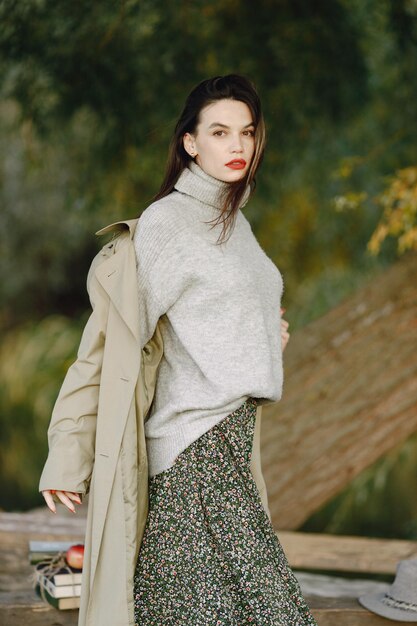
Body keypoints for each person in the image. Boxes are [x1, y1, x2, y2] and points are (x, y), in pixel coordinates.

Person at [40, 74, 317, 625]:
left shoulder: (236, 222)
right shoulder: (168, 223)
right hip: (195, 453)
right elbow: (108, 344)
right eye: (220, 132)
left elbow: (217, 322)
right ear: (191, 142)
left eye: (248, 132)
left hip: (232, 446)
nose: (237, 146)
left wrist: (266, 337)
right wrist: (67, 456)